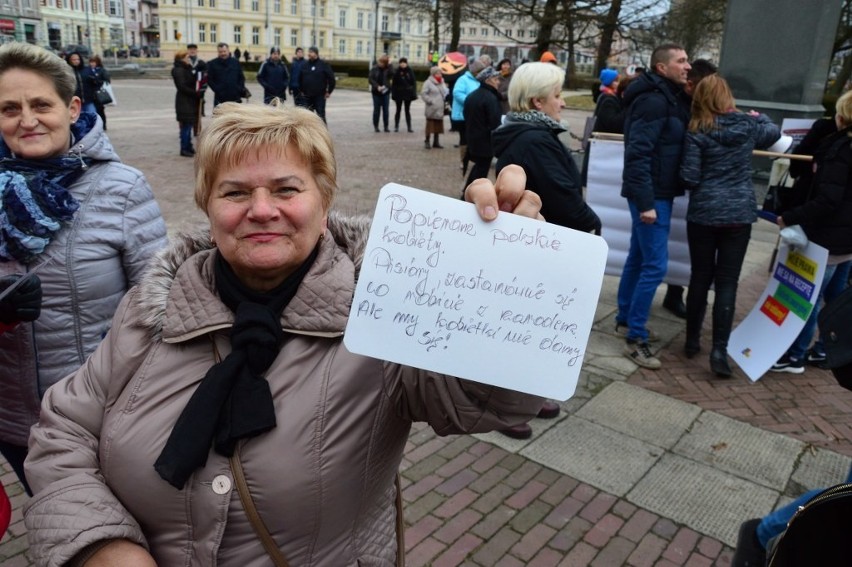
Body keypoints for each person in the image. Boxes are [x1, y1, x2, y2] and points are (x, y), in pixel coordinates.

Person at [22, 102, 547, 565]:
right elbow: (64, 431)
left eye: (286, 188)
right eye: (234, 192)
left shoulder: (388, 310)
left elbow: (492, 403)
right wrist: (102, 546)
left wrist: (497, 287)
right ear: (209, 208)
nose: (262, 209)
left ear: (323, 203)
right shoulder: (152, 307)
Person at [0, 42, 168, 495]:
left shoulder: (122, 188)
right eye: (9, 108)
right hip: (12, 417)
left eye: (40, 104)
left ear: (72, 108)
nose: (26, 119)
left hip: (99, 415)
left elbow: (160, 306)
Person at [492, 61, 603, 438]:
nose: (564, 103)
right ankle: (510, 407)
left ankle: (526, 398)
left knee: (530, 328)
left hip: (540, 243)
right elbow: (564, 197)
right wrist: (592, 223)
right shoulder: (535, 140)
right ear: (538, 102)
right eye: (558, 96)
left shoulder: (527, 134)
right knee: (527, 330)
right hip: (545, 244)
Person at [679, 75, 781, 377]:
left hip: (704, 213)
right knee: (727, 281)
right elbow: (772, 131)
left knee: (700, 277)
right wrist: (757, 115)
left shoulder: (696, 131)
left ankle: (692, 341)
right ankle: (719, 350)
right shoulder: (748, 127)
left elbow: (689, 177)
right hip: (739, 213)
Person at [616, 43, 691, 369]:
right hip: (651, 195)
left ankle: (624, 318)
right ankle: (635, 338)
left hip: (655, 192)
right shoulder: (654, 101)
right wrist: (647, 203)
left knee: (638, 256)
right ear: (662, 68)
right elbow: (638, 153)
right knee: (655, 266)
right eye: (681, 61)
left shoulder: (667, 97)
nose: (687, 66)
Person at [770, 89, 852, 375]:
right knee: (837, 297)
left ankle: (794, 356)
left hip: (829, 236)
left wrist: (790, 216)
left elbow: (828, 199)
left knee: (810, 299)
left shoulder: (840, 149)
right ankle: (825, 349)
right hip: (846, 238)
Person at [661, 58, 721, 320]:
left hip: (690, 186)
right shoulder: (677, 104)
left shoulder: (701, 107)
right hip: (679, 183)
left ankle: (676, 292)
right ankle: (674, 292)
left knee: (684, 244)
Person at [463, 66, 504, 187]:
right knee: (481, 171)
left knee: (478, 167)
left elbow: (466, 116)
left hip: (473, 138)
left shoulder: (472, 96)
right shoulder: (491, 98)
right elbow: (495, 123)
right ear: (488, 80)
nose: (498, 82)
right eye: (496, 79)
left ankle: (467, 192)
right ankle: (470, 196)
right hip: (486, 141)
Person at [451, 59, 482, 175]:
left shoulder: (478, 81)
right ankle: (463, 161)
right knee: (464, 139)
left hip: (473, 115)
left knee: (472, 139)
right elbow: (457, 93)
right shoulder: (463, 79)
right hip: (462, 115)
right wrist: (471, 102)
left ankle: (471, 159)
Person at [172, 48, 199, 157]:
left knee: (189, 125)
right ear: (182, 58)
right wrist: (195, 93)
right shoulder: (178, 70)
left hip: (189, 101)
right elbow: (182, 86)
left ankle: (188, 146)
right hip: (184, 101)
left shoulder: (186, 68)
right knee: (186, 126)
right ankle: (184, 148)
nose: (189, 59)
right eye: (187, 57)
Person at [296, 46, 335, 123]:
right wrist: (301, 90)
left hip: (319, 96)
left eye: (311, 52)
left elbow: (331, 79)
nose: (309, 54)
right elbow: (299, 78)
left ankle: (323, 134)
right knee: (308, 118)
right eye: (309, 52)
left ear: (316, 53)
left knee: (321, 116)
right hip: (307, 97)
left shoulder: (323, 64)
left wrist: (329, 91)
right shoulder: (305, 65)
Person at [206, 42, 246, 106]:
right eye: (220, 52)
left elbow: (241, 77)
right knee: (220, 116)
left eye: (224, 51)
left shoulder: (235, 62)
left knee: (235, 116)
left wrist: (239, 88)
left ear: (228, 50)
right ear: (218, 52)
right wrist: (217, 89)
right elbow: (209, 79)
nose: (223, 53)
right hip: (220, 98)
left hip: (235, 97)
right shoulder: (212, 63)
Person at [420, 65, 446, 149]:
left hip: (440, 107)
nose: (440, 75)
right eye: (438, 73)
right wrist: (430, 101)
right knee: (430, 126)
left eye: (440, 73)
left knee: (438, 125)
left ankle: (436, 142)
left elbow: (445, 92)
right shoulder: (428, 82)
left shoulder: (442, 82)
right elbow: (423, 93)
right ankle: (427, 141)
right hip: (431, 108)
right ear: (433, 74)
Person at [82, 54, 110, 131]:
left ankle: (103, 125)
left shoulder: (101, 70)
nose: (92, 64)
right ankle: (94, 125)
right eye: (91, 62)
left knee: (100, 110)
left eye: (94, 62)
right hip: (90, 93)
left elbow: (106, 80)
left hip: (99, 93)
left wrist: (96, 80)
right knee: (92, 111)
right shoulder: (87, 70)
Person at [391, 56, 417, 132]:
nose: (402, 64)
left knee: (407, 110)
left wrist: (413, 93)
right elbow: (394, 84)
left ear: (406, 63)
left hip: (407, 93)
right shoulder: (397, 71)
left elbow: (413, 82)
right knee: (398, 110)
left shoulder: (410, 71)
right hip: (399, 93)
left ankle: (409, 127)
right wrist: (393, 94)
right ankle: (396, 126)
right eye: (401, 63)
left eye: (404, 63)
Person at [368, 54, 392, 132]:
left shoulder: (388, 69)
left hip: (385, 92)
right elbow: (370, 79)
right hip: (376, 92)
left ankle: (386, 126)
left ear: (385, 63)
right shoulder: (374, 69)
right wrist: (377, 86)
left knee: (386, 110)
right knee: (376, 110)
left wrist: (390, 64)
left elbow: (393, 74)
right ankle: (376, 126)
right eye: (380, 62)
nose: (380, 64)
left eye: (382, 63)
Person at [187, 43, 208, 118]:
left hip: (199, 92)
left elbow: (205, 77)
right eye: (190, 49)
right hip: (187, 92)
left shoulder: (201, 63)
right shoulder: (185, 62)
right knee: (188, 114)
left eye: (194, 49)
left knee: (198, 116)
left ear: (196, 51)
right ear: (187, 51)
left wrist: (202, 89)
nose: (192, 51)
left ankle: (197, 129)